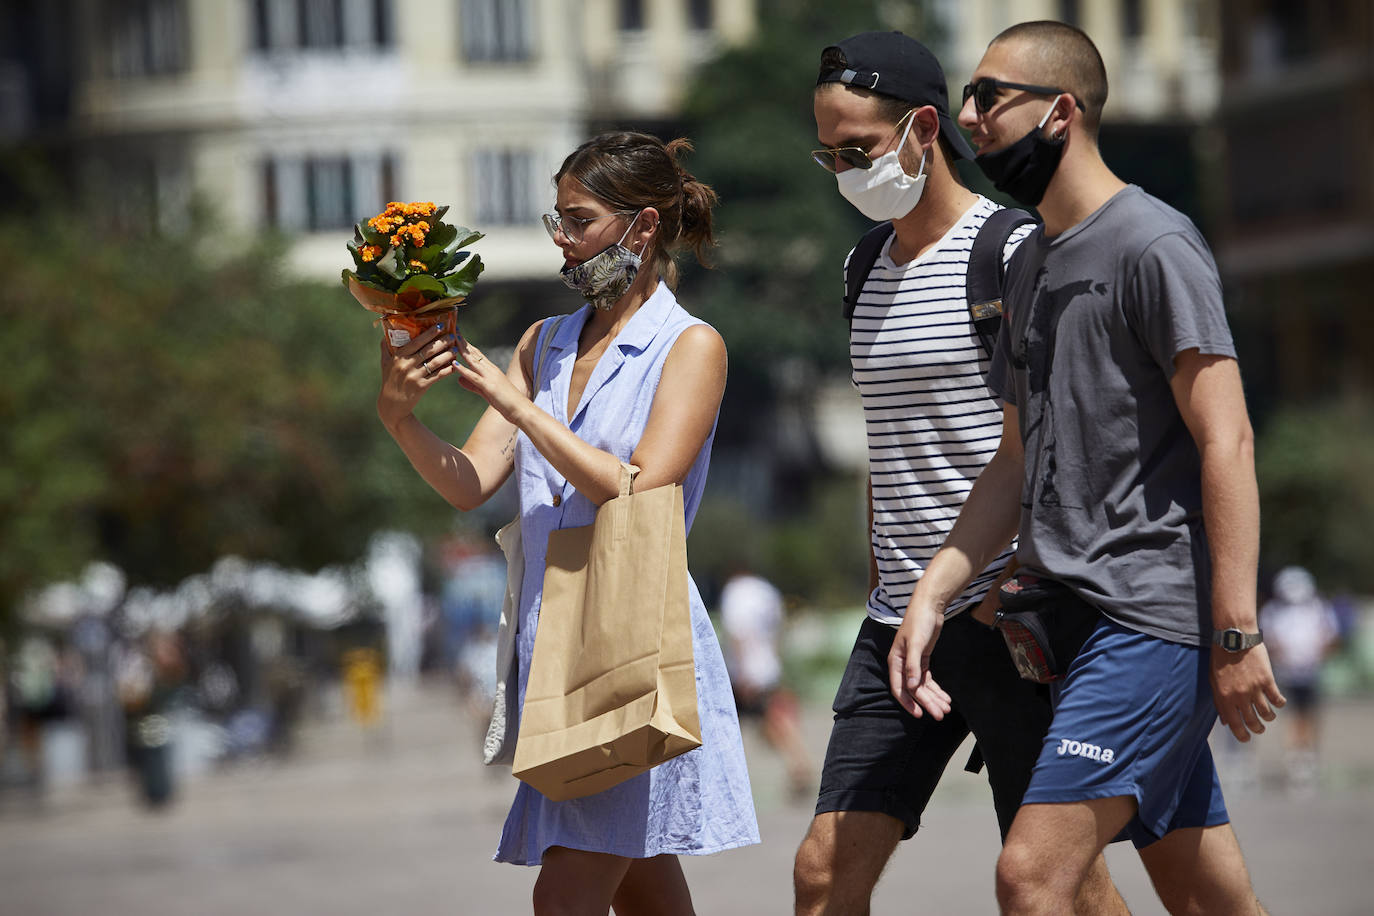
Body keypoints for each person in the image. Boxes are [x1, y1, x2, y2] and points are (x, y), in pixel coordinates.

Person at [889, 20, 1287, 914]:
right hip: (1072, 623)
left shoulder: (1154, 244)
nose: (970, 117)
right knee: (1204, 896)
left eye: (990, 96)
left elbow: (1228, 440)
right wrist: (931, 593)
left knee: (1032, 876)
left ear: (1061, 111)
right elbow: (1015, 462)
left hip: (1153, 619)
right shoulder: (1028, 261)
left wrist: (1234, 631)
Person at [376, 131, 759, 915]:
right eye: (557, 221)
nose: (563, 242)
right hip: (553, 643)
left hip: (631, 640)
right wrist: (400, 419)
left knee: (565, 897)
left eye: (578, 221)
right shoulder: (542, 342)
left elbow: (639, 484)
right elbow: (471, 482)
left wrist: (516, 404)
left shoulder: (690, 346)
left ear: (642, 227)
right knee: (645, 890)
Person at [794, 31, 1121, 915]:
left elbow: (1063, 443)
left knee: (1057, 887)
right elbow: (886, 441)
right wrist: (882, 578)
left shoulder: (1012, 252)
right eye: (826, 153)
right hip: (897, 623)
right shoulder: (863, 266)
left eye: (856, 149)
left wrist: (1004, 586)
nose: (841, 170)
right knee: (823, 873)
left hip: (1009, 615)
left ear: (924, 128)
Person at [717, 565, 813, 799]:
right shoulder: (766, 590)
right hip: (767, 667)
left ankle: (721, 780)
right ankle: (800, 766)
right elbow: (778, 629)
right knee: (777, 721)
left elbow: (737, 633)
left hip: (745, 672)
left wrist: (742, 671)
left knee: (724, 726)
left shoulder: (734, 592)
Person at [1261, 565, 1340, 792]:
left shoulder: (1319, 608)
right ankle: (1295, 758)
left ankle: (1308, 756)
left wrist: (1318, 652)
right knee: (1292, 715)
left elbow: (1331, 637)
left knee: (1310, 715)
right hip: (1286, 672)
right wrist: (1280, 654)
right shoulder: (1273, 610)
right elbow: (1268, 639)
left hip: (1311, 671)